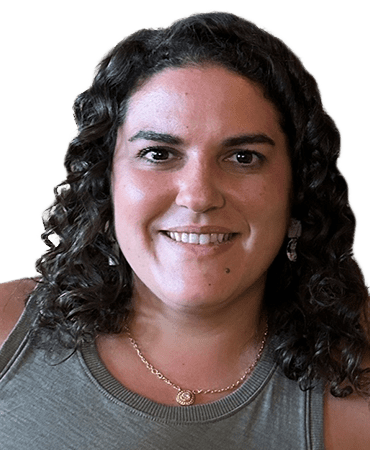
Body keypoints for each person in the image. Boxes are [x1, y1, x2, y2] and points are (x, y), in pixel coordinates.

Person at [1, 10, 369, 449]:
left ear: (298, 190)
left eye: (243, 157)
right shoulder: (5, 330)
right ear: (106, 182)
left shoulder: (357, 380)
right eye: (158, 153)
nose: (198, 196)